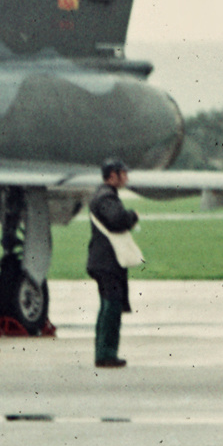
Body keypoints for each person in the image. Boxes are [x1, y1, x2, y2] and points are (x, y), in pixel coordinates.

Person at [87, 157, 139, 368]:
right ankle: (106, 354)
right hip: (108, 262)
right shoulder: (107, 198)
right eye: (122, 173)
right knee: (111, 307)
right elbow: (117, 220)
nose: (126, 177)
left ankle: (104, 352)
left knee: (107, 306)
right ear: (112, 176)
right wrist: (132, 216)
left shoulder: (103, 195)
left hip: (102, 261)